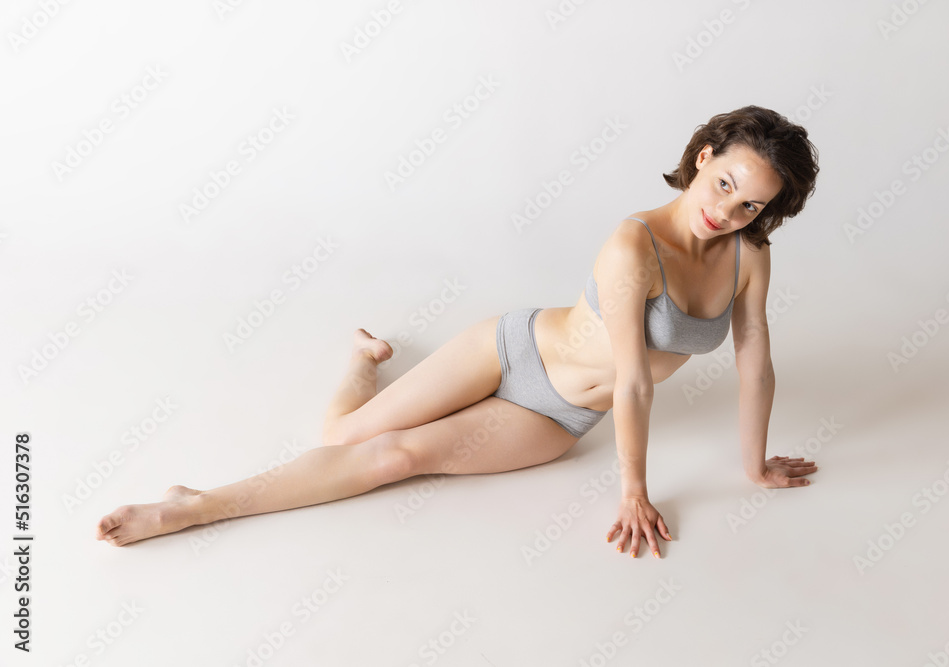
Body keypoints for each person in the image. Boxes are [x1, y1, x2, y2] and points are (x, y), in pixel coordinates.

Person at [96, 105, 820, 559]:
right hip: (510, 348)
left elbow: (754, 359)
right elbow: (634, 378)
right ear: (703, 159)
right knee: (339, 438)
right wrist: (634, 489)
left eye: (751, 205)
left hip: (558, 414)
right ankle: (353, 369)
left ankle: (195, 504)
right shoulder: (635, 246)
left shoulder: (748, 258)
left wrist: (753, 466)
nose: (728, 212)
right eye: (725, 184)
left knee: (390, 459)